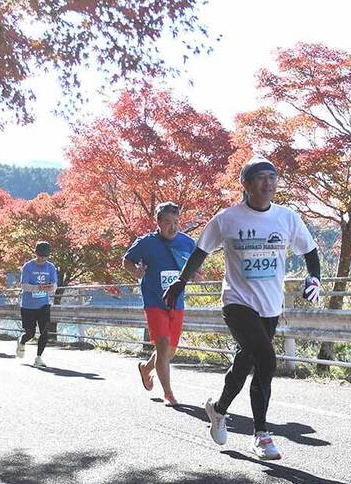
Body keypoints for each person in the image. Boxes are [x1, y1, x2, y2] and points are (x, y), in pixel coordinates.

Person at [163, 156, 321, 461]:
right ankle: (262, 435)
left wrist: (314, 277)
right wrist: (181, 282)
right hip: (237, 303)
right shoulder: (227, 219)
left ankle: (218, 409)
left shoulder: (287, 218)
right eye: (261, 177)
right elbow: (200, 252)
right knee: (266, 359)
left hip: (270, 306)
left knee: (245, 362)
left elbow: (310, 251)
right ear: (246, 185)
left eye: (273, 177)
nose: (268, 183)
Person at [123, 202, 196, 406]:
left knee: (170, 350)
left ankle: (146, 368)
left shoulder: (187, 242)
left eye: (176, 222)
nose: (173, 227)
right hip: (154, 301)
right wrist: (135, 271)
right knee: (163, 346)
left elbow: (195, 263)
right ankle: (169, 393)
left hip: (177, 301)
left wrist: (196, 273)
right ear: (158, 222)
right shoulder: (145, 242)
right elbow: (127, 261)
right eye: (167, 222)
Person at [17, 241, 57, 368]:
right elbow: (24, 286)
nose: (42, 259)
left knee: (45, 332)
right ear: (36, 253)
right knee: (30, 333)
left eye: (44, 256)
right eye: (40, 255)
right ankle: (22, 341)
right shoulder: (28, 266)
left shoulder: (50, 267)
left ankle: (38, 358)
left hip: (43, 304)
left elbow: (54, 285)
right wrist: (39, 287)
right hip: (28, 305)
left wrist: (51, 287)